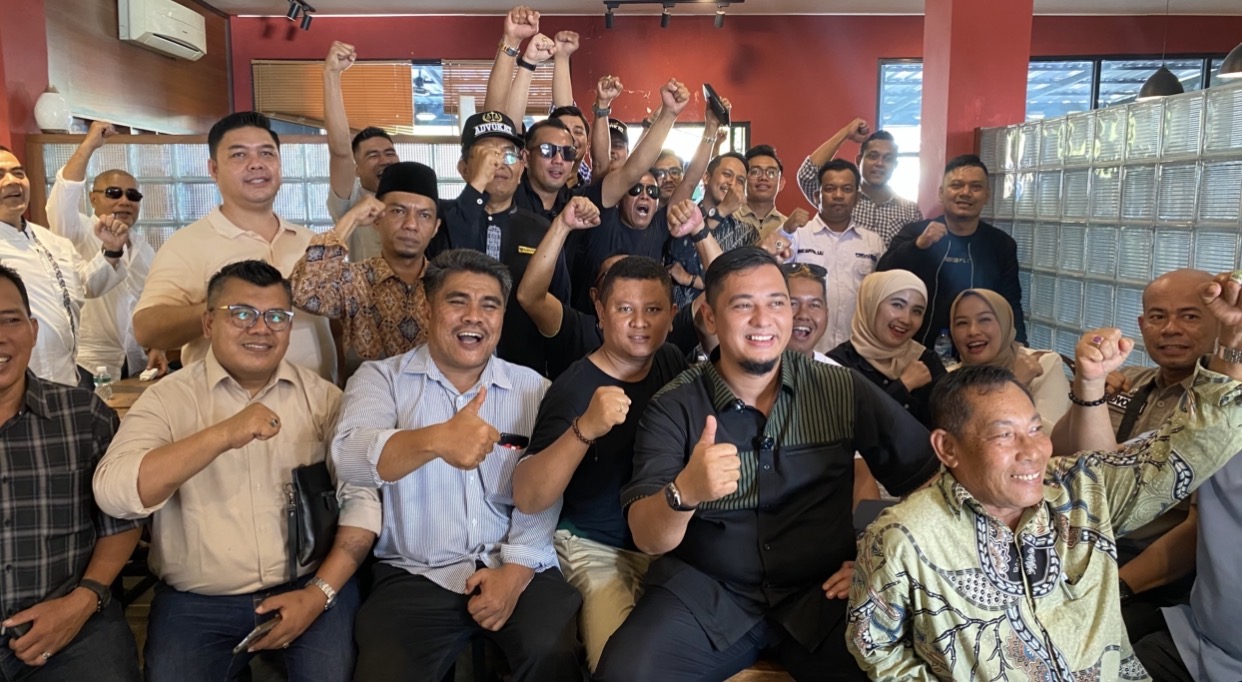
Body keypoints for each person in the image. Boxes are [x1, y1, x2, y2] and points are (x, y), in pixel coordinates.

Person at [845, 276, 1242, 679]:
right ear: (947, 448)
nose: (1033, 450)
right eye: (1004, 435)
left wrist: (1231, 341)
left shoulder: (1080, 490)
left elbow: (1199, 443)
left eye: (1035, 429)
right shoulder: (906, 536)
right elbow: (876, 649)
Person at [594, 247, 940, 681]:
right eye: (743, 305)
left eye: (777, 303)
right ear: (710, 317)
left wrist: (880, 559)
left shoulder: (840, 389)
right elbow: (647, 537)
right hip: (706, 595)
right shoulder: (675, 406)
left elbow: (930, 479)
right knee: (625, 673)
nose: (764, 320)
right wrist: (686, 492)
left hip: (822, 595)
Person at [94, 260, 379, 681]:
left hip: (307, 586)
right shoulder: (167, 399)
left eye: (276, 316)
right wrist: (222, 435)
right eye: (242, 314)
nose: (261, 328)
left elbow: (362, 501)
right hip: (198, 600)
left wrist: (319, 594)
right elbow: (114, 493)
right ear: (209, 323)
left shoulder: (322, 399)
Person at [332, 249, 584, 682]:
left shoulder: (535, 389)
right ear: (427, 308)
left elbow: (545, 490)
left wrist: (516, 572)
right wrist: (433, 440)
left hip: (515, 561)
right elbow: (347, 459)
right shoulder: (381, 379)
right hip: (415, 571)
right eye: (457, 301)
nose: (474, 317)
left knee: (552, 653)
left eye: (489, 305)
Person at [513, 256, 687, 671]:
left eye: (652, 309)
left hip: (665, 546)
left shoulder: (671, 362)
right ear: (601, 311)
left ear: (672, 315)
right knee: (619, 664)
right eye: (625, 308)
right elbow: (528, 495)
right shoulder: (574, 388)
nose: (639, 322)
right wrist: (585, 428)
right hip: (595, 547)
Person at [1052, 269, 1215, 646]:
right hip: (1081, 544)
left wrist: (1114, 588)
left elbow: (1197, 533)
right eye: (1158, 316)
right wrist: (1089, 389)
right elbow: (1060, 454)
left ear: (1221, 323)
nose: (1171, 329)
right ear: (1142, 325)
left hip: (1150, 575)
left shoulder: (1219, 409)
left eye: (1189, 316)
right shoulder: (1129, 381)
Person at [0, 265, 142, 681]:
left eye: (10, 320)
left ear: (33, 330)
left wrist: (84, 599)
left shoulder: (83, 416)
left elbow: (122, 520)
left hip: (72, 626)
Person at [133, 112, 335, 382]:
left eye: (266, 153)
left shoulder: (311, 241)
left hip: (318, 401)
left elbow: (337, 326)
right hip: (226, 405)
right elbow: (147, 329)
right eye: (239, 155)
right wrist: (229, 307)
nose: (256, 164)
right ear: (214, 170)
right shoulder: (187, 244)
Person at [438, 111, 577, 376]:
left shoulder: (541, 229)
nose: (499, 163)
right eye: (486, 156)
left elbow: (560, 307)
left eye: (509, 156)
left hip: (524, 375)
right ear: (463, 168)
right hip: (451, 372)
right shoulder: (440, 220)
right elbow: (454, 264)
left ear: (522, 166)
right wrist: (477, 186)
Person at [516, 199, 716, 378]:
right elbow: (530, 297)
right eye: (614, 274)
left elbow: (723, 292)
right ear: (596, 297)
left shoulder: (660, 328)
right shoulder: (578, 330)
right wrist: (562, 225)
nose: (639, 322)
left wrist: (699, 231)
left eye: (634, 272)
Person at [45, 120, 166, 381]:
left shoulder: (144, 249)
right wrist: (89, 145)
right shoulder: (75, 231)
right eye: (114, 193)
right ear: (93, 198)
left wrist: (157, 344)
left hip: (136, 363)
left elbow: (152, 303)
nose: (125, 201)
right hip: (87, 364)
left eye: (133, 196)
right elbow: (63, 196)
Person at [0, 146, 130, 386]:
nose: (12, 181)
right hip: (13, 384)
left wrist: (111, 250)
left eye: (18, 173)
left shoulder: (52, 241)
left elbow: (85, 285)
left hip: (67, 377)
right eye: (0, 175)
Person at [290, 162, 441, 363]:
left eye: (424, 215)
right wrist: (351, 218)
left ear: (436, 227)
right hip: (364, 384)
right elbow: (302, 293)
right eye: (398, 211)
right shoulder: (352, 281)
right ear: (376, 220)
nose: (411, 225)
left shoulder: (445, 285)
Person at [877, 154, 1025, 346]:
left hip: (979, 348)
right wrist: (917, 246)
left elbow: (1010, 302)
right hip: (914, 350)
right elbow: (881, 276)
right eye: (956, 185)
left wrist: (1020, 346)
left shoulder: (1001, 245)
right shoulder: (915, 233)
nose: (965, 193)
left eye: (976, 187)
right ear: (941, 193)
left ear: (987, 195)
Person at [783, 262, 883, 506]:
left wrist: (868, 526)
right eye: (792, 303)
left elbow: (860, 471)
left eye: (814, 305)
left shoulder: (840, 379)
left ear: (826, 312)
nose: (803, 314)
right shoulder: (747, 375)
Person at [775, 159, 885, 353]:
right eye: (830, 189)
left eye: (847, 189)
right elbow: (769, 267)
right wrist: (785, 230)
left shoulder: (873, 243)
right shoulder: (797, 234)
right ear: (817, 196)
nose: (838, 195)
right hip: (803, 349)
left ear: (858, 197)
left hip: (856, 352)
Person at [827, 269, 946, 429]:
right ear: (871, 304)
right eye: (897, 305)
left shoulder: (926, 359)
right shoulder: (837, 364)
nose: (906, 319)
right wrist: (904, 386)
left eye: (917, 311)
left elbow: (952, 421)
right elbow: (851, 430)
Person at [322, 40, 400, 261]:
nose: (384, 160)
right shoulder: (351, 201)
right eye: (373, 155)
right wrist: (331, 75)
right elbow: (340, 151)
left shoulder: (413, 196)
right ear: (356, 169)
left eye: (390, 153)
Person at [951, 288, 1070, 429]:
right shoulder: (950, 378)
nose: (973, 331)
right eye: (962, 323)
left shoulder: (1042, 364)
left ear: (1005, 323)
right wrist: (1015, 383)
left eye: (984, 320)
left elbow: (1049, 435)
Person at [796, 121, 922, 246]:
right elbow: (807, 175)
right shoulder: (841, 199)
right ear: (859, 160)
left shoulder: (910, 211)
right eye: (873, 156)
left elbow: (914, 252)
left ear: (895, 165)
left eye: (888, 159)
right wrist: (846, 133)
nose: (880, 163)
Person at [734, 145, 788, 240]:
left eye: (771, 173)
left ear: (781, 183)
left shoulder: (788, 227)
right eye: (755, 172)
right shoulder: (728, 220)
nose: (763, 177)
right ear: (742, 180)